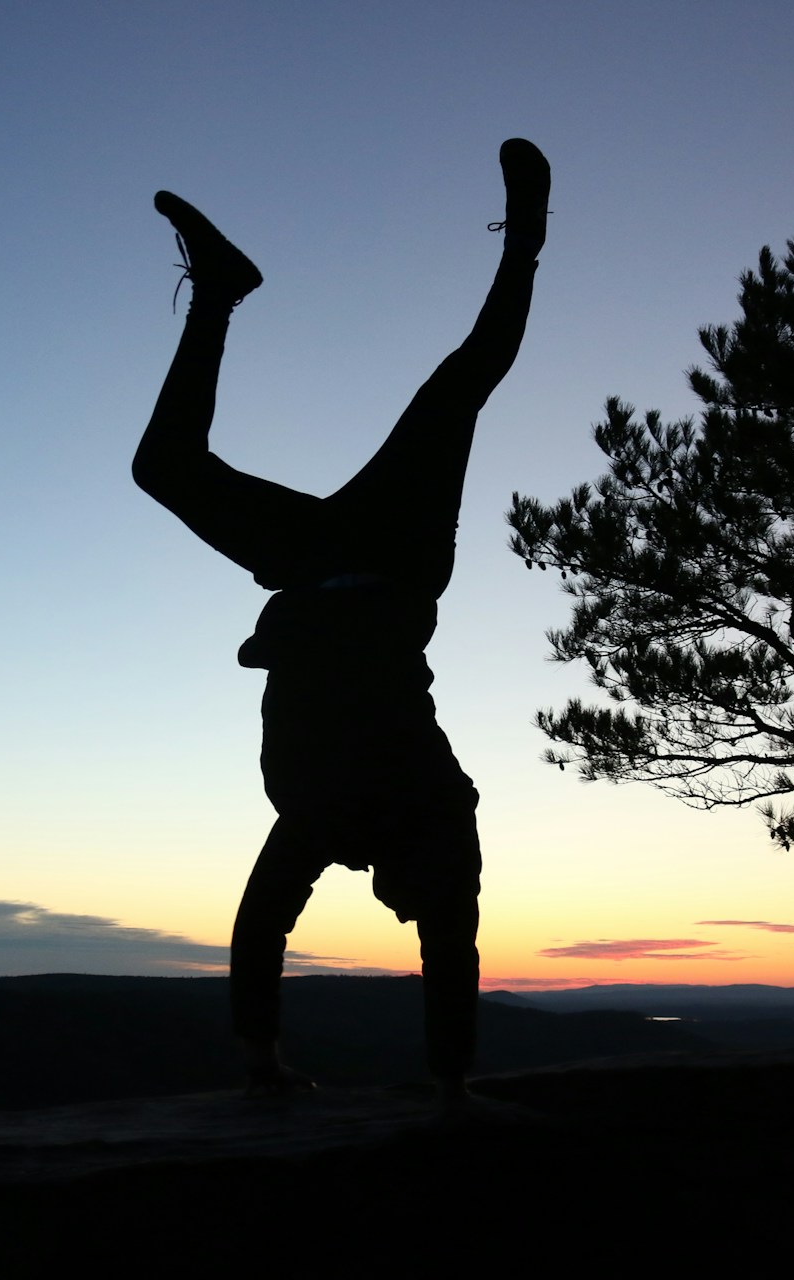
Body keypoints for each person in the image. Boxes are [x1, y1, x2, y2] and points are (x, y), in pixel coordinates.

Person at [132, 140, 549, 1102]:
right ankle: (524, 243)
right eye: (411, 903)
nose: (399, 906)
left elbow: (266, 919)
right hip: (394, 557)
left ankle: (220, 293)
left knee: (164, 468)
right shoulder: (433, 812)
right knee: (463, 383)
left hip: (316, 562)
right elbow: (447, 941)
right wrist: (448, 1083)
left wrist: (260, 1063)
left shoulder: (324, 806)